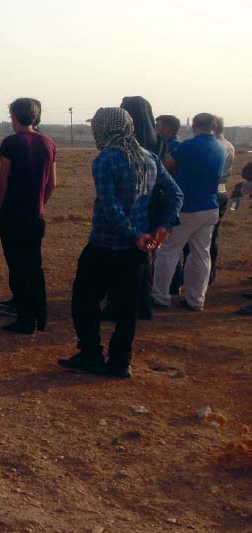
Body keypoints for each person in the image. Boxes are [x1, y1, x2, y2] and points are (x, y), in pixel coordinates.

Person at [59, 108, 182, 378]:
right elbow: (176, 194)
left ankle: (91, 353)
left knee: (84, 299)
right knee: (127, 306)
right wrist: (161, 228)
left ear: (104, 128)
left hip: (105, 244)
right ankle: (120, 360)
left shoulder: (106, 159)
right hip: (137, 250)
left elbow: (110, 206)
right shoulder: (149, 157)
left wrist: (134, 234)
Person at [0, 98, 57, 334]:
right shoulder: (48, 142)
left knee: (17, 267)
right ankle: (41, 315)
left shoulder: (11, 143)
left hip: (12, 214)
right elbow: (52, 183)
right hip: (34, 214)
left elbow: (3, 182)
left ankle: (25, 319)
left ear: (15, 116)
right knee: (35, 267)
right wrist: (41, 203)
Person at [151, 113, 226, 311]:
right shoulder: (221, 147)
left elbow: (164, 165)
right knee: (201, 254)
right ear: (213, 125)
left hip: (187, 207)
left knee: (168, 251)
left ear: (193, 125)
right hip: (210, 206)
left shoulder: (187, 146)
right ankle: (196, 299)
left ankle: (160, 296)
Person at [208, 116, 235, 285]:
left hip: (209, 192)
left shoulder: (213, 146)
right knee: (212, 236)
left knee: (199, 241)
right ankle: (210, 274)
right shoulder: (230, 145)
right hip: (222, 191)